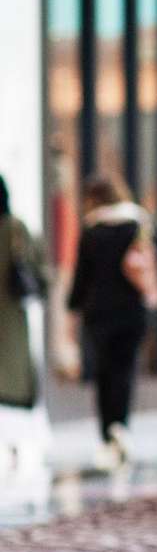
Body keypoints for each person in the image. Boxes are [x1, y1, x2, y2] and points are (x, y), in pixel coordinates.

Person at [66, 173, 157, 472]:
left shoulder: (92, 230)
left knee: (104, 372)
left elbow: (81, 278)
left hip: (99, 313)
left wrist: (71, 309)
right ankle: (121, 425)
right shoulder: (139, 224)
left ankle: (108, 433)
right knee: (124, 369)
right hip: (132, 311)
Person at [0, 176, 50, 459]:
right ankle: (12, 446)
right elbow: (40, 273)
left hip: (9, 319)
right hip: (11, 320)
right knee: (12, 383)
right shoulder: (16, 229)